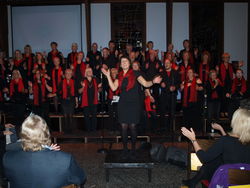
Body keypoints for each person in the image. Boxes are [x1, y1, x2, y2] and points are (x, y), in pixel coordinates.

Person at [101, 56, 162, 158]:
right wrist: (108, 76)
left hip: (134, 104)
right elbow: (113, 87)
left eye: (126, 61)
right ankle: (125, 149)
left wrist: (153, 81)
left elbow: (146, 83)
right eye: (122, 61)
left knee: (133, 126)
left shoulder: (135, 73)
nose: (124, 63)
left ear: (129, 63)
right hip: (123, 104)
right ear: (120, 65)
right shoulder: (119, 76)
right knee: (123, 127)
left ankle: (133, 149)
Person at [3, 114, 86, 188]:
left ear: (22, 135)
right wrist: (52, 154)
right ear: (46, 133)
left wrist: (48, 149)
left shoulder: (7, 158)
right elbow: (80, 178)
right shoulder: (64, 159)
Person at [181, 108, 250, 188]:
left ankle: (194, 181)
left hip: (227, 182)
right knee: (216, 159)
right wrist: (221, 129)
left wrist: (193, 140)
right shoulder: (228, 141)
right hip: (246, 181)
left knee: (210, 161)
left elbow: (204, 158)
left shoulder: (225, 141)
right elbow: (233, 144)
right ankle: (193, 181)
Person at [159, 59, 180, 131]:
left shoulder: (175, 73)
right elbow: (158, 82)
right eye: (165, 63)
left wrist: (175, 87)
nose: (166, 64)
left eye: (168, 63)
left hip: (172, 95)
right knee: (163, 112)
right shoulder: (161, 73)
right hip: (164, 95)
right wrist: (160, 84)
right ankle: (163, 128)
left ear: (171, 64)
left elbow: (179, 83)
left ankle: (171, 128)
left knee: (172, 113)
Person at [79, 67, 101, 132]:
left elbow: (100, 90)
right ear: (85, 72)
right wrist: (83, 87)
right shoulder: (82, 80)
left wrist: (99, 87)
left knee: (94, 117)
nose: (89, 72)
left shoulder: (96, 79)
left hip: (94, 101)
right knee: (86, 117)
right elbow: (79, 92)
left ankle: (94, 130)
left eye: (90, 71)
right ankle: (88, 130)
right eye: (88, 71)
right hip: (86, 102)